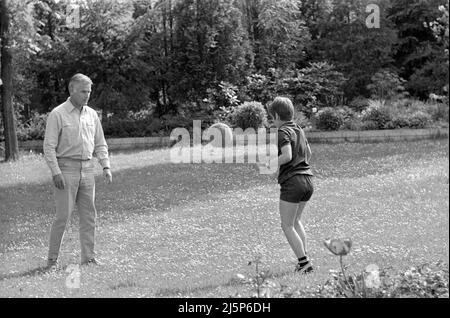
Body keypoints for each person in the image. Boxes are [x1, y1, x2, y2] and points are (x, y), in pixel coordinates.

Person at [43, 73, 112, 270]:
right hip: (66, 170)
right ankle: (52, 261)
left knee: (89, 215)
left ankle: (89, 258)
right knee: (63, 216)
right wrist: (56, 172)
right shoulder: (58, 114)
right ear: (71, 90)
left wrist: (106, 166)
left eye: (89, 91)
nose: (87, 95)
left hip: (88, 169)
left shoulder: (92, 114)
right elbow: (49, 146)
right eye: (83, 91)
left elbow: (100, 143)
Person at [266, 97, 314, 274]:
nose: (273, 121)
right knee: (296, 221)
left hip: (293, 183)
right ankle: (304, 259)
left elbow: (286, 155)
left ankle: (304, 263)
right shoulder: (299, 129)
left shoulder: (282, 132)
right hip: (308, 180)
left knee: (287, 225)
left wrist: (271, 163)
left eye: (272, 118)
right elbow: (308, 152)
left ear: (277, 116)